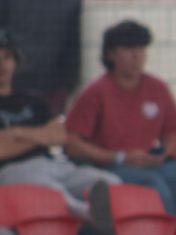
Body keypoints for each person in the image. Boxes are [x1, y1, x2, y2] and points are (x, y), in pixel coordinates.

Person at [64, 19, 176, 217]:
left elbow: (170, 137)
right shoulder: (95, 92)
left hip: (152, 163)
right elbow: (72, 144)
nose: (137, 56)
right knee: (155, 185)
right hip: (109, 167)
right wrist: (119, 156)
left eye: (141, 48)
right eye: (129, 49)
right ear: (110, 54)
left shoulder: (158, 88)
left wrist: (161, 154)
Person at [0, 28, 118, 220]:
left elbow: (60, 135)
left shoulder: (34, 100)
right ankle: (90, 219)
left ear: (15, 61)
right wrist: (40, 136)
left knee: (108, 181)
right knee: (49, 189)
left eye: (6, 57)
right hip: (11, 172)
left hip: (52, 164)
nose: (1, 65)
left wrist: (14, 133)